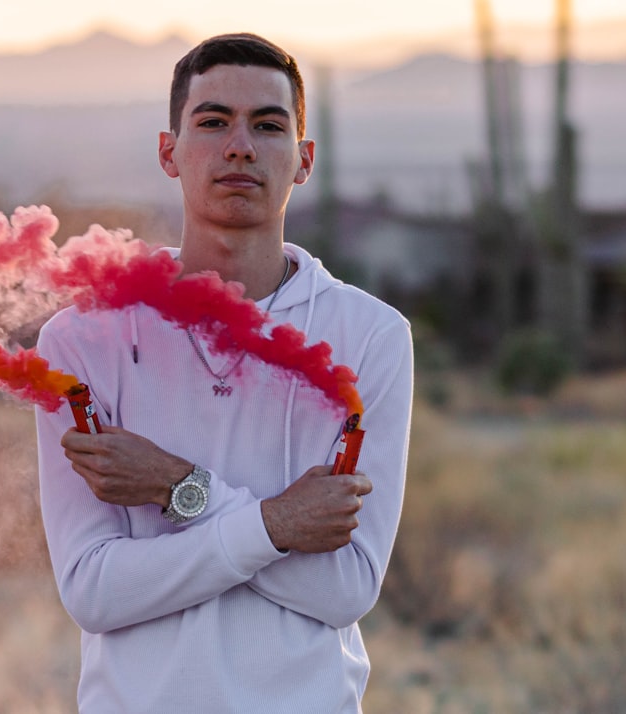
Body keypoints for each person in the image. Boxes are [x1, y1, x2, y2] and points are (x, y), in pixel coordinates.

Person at [35, 32, 413, 713]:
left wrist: (178, 486)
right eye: (213, 121)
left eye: (268, 126)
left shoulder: (372, 336)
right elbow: (94, 591)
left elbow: (345, 589)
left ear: (303, 160)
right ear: (168, 151)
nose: (240, 145)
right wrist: (277, 525)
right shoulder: (83, 338)